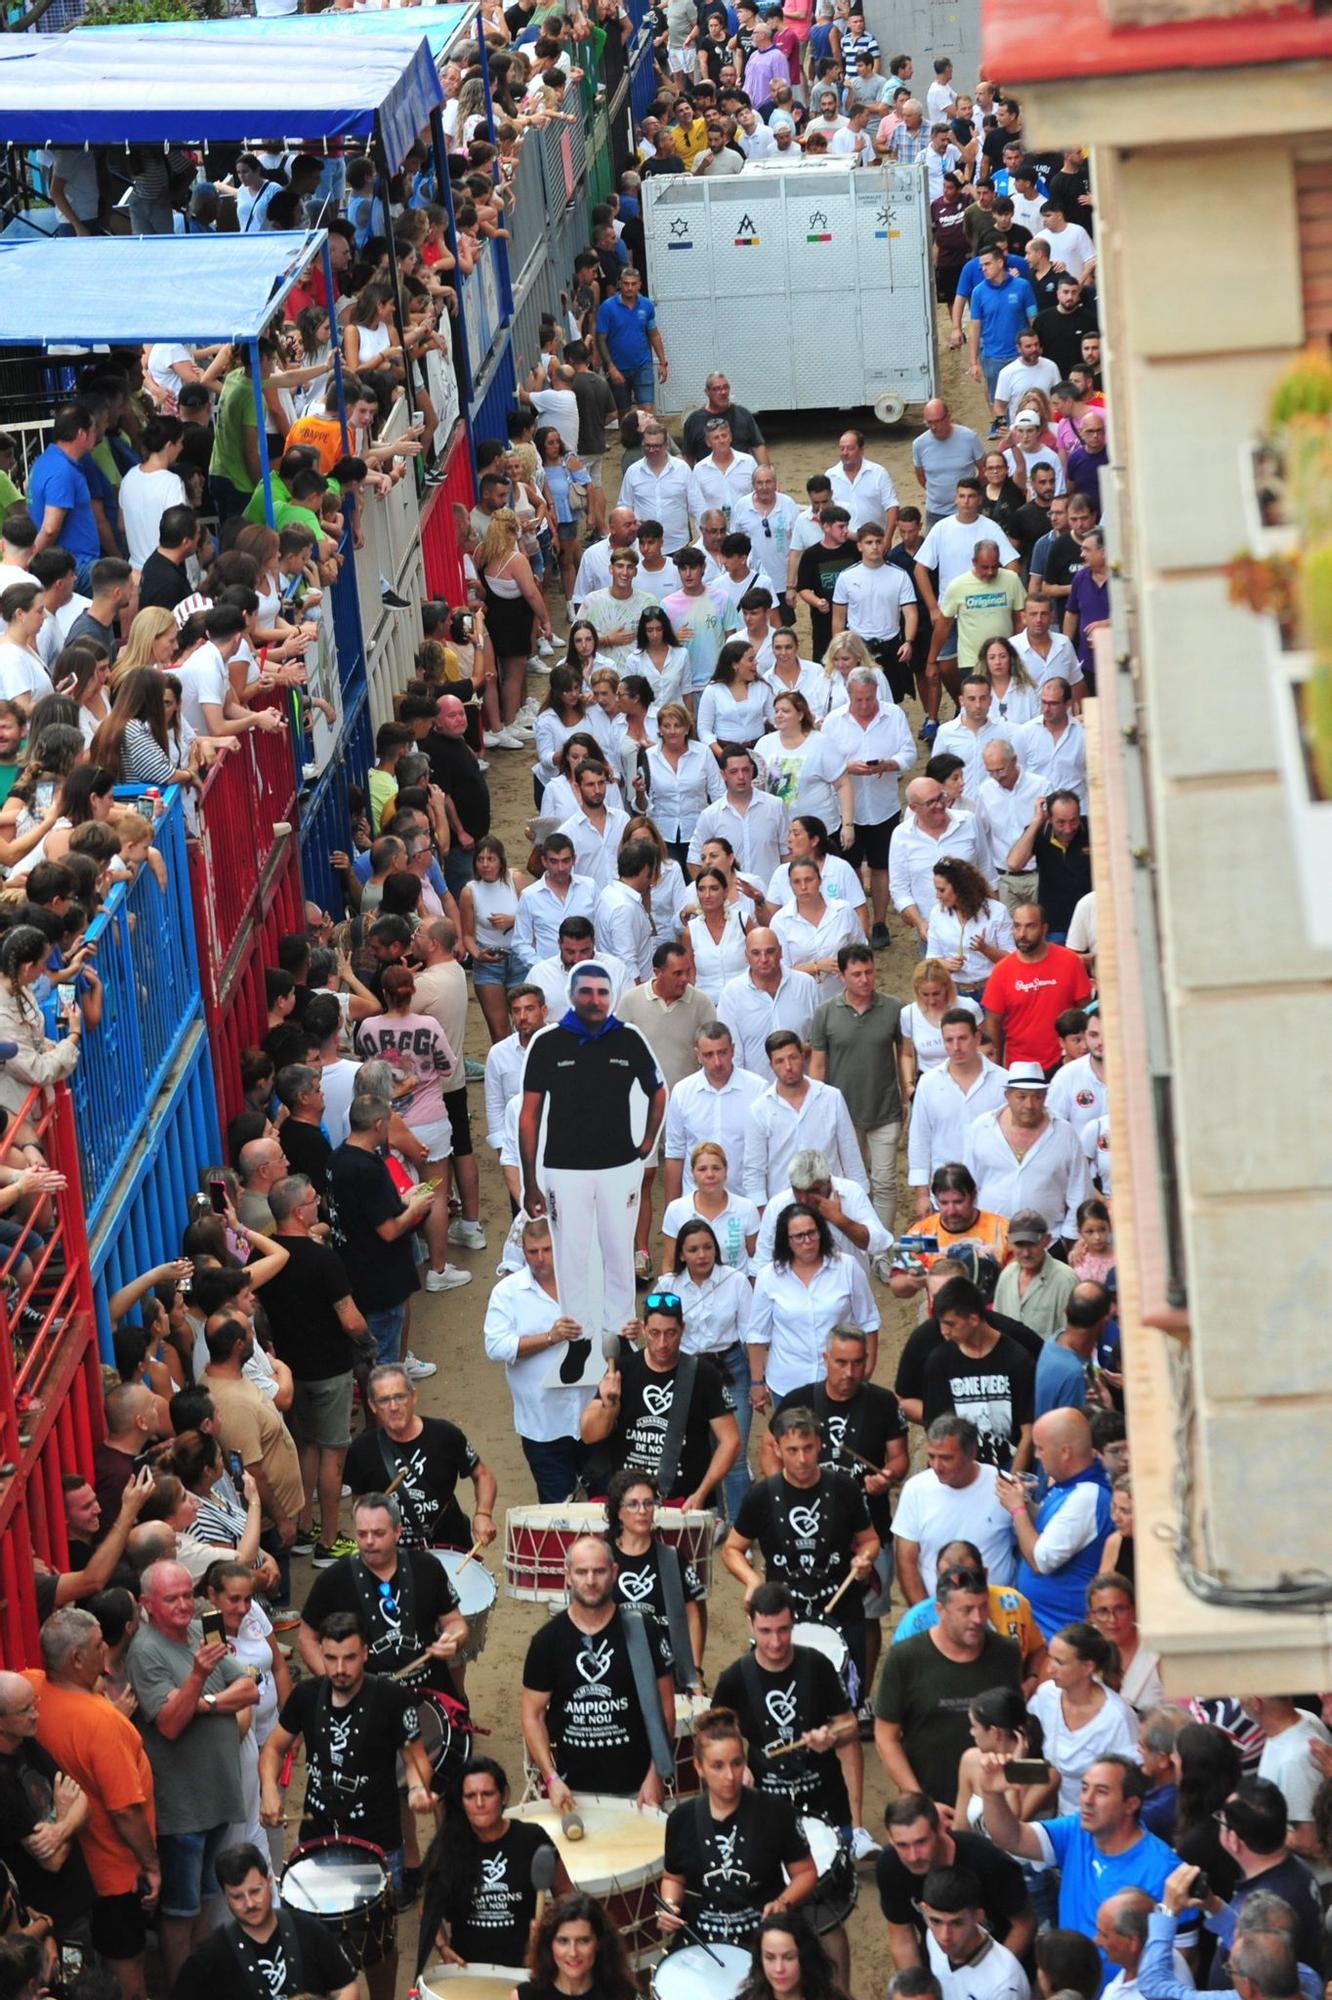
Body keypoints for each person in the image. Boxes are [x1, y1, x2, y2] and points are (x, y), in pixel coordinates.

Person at [260, 1615, 436, 2000]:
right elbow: (274, 1747)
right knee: (312, 1939)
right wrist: (269, 1791)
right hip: (317, 1839)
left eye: (350, 1658)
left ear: (366, 1653)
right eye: (331, 1658)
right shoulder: (306, 1696)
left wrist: (420, 1787)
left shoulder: (392, 1699)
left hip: (377, 1840)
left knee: (379, 1941)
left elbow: (416, 1758)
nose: (339, 1669)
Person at [520, 960, 665, 1368]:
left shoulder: (629, 1040)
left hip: (619, 1167)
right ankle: (580, 1339)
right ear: (571, 995)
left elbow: (657, 1090)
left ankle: (621, 1333)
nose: (595, 999)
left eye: (603, 992)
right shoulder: (548, 1044)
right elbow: (529, 1115)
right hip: (564, 1169)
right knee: (573, 1254)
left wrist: (648, 1139)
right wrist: (531, 1181)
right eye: (586, 991)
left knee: (619, 1252)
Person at [125, 1560, 260, 1984]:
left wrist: (206, 1702)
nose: (185, 1604)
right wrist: (201, 1677)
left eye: (188, 1594)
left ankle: (203, 1984)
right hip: (182, 1810)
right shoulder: (145, 1652)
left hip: (216, 1797)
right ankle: (186, 1989)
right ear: (147, 1605)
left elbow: (250, 1687)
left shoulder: (206, 1628)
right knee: (180, 1915)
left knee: (205, 1903)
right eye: (172, 1598)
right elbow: (168, 1723)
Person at [29, 1607, 157, 2000]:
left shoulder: (32, 1687)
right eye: (99, 1644)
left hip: (74, 1881)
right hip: (117, 1875)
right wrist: (152, 1864)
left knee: (79, 1969)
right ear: (76, 1659)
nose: (107, 1649)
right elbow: (125, 1810)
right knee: (128, 1974)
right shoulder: (104, 1723)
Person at [977, 1753, 1183, 1985]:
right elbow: (1011, 1838)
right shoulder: (1077, 1829)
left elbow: (1184, 1958)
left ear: (1131, 1804)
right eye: (1085, 1788)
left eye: (1101, 1791)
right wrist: (991, 1793)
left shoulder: (1165, 1869)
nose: (1087, 1799)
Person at [725, 1405, 878, 1695]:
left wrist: (864, 1559)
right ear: (778, 1448)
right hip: (783, 1618)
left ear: (820, 1444)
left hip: (841, 1610)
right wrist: (752, 1581)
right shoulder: (761, 1495)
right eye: (792, 1450)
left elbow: (870, 1539)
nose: (803, 1459)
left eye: (808, 1448)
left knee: (845, 1711)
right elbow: (732, 1548)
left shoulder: (844, 1488)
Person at [521, 1533, 674, 1811]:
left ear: (614, 1572)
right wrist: (551, 1777)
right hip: (573, 1790)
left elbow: (665, 1708)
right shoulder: (547, 1641)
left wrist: (656, 1774)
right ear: (568, 1576)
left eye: (599, 1571)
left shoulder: (644, 1631)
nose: (590, 1581)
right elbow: (532, 1714)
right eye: (581, 1572)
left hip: (637, 1787)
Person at [714, 1583, 863, 1848]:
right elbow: (713, 1738)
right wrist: (737, 1767)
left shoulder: (818, 1665)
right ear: (750, 1624)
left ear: (794, 1622)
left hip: (826, 1803)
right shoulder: (734, 1679)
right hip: (765, 1807)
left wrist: (831, 1736)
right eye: (765, 1631)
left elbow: (848, 1724)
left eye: (783, 1630)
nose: (775, 1641)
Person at [660, 1708, 816, 1950]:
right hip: (703, 1943)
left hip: (764, 1939)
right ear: (699, 1767)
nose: (730, 1776)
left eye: (736, 1763)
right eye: (717, 1766)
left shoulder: (775, 1811)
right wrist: (669, 1904)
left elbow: (805, 1872)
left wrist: (783, 1903)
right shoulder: (681, 1819)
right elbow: (673, 1877)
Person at [875, 1561, 1023, 1808]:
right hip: (931, 1802)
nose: (978, 1619)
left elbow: (1015, 1729)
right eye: (966, 1610)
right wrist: (920, 1800)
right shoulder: (906, 1658)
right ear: (940, 1610)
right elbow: (886, 1738)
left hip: (993, 1802)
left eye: (983, 1607)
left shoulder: (1006, 1653)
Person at [298, 1489, 468, 1702]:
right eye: (361, 1534)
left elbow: (454, 1621)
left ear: (398, 1531)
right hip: (366, 1698)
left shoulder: (427, 1567)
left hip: (428, 1690)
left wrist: (453, 1639)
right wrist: (336, 1680)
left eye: (378, 1533)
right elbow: (307, 1638)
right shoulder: (333, 1580)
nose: (369, 1541)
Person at [581, 1289, 740, 1510]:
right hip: (629, 1505)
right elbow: (589, 1435)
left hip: (685, 1504)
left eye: (671, 1333)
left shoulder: (704, 1375)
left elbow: (730, 1441)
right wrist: (608, 1406)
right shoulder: (622, 1371)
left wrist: (702, 1492)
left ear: (683, 1330)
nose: (663, 1342)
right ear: (644, 1329)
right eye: (655, 1333)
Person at [418, 1756, 567, 1976]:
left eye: (487, 1794)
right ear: (461, 1802)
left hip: (525, 1970)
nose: (479, 1803)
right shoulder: (448, 1847)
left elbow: (566, 1895)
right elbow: (427, 1908)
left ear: (504, 1795)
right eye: (470, 1796)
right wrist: (442, 1946)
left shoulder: (531, 1838)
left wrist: (549, 1937)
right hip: (469, 1971)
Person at [168, 1840, 357, 2000]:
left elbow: (348, 1987)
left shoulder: (308, 1930)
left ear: (269, 1882)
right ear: (225, 1896)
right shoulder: (210, 1956)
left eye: (255, 1891)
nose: (249, 1903)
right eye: (237, 1897)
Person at [808, 942, 905, 1251]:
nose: (865, 980)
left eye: (870, 972)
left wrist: (906, 1093)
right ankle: (854, 1240)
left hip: (885, 1110)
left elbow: (905, 1053)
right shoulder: (825, 1014)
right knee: (852, 1185)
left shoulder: (894, 1009)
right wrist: (815, 1106)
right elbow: (819, 1062)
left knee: (886, 1182)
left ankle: (882, 1249)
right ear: (843, 976)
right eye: (857, 974)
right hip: (843, 1114)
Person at [326, 1097, 435, 1371]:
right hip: (381, 1280)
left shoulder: (337, 1158)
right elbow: (388, 1230)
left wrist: (403, 1202)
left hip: (355, 1271)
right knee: (384, 1362)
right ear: (377, 1125)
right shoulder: (368, 1169)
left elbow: (363, 1210)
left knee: (370, 1359)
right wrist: (416, 1208)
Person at [344, 1363, 496, 1554]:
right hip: (393, 1556)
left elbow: (483, 1475)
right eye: (384, 1400)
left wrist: (483, 1514)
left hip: (450, 1548)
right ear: (372, 1405)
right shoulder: (361, 1450)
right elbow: (360, 1505)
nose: (393, 1407)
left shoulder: (445, 1435)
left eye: (400, 1397)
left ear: (414, 1396)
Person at [876, 1792, 1034, 1974]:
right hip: (940, 1965)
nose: (913, 1856)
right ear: (890, 1839)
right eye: (902, 1845)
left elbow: (1024, 1925)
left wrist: (991, 1980)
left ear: (940, 1829)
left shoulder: (987, 1860)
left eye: (921, 1842)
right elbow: (902, 1938)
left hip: (1000, 1961)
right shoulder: (890, 1865)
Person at [821, 668, 918, 948]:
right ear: (849, 695)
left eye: (869, 699)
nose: (864, 705)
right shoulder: (834, 721)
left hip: (882, 805)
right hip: (845, 809)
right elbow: (825, 760)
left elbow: (909, 753)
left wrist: (891, 764)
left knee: (880, 866)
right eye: (859, 699)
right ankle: (853, 922)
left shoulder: (893, 715)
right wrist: (846, 768)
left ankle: (879, 922)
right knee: (847, 866)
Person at [995, 1408, 1113, 1637]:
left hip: (1062, 1634)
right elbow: (1050, 1526)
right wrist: (1025, 1501)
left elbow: (1041, 1560)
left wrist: (1017, 1509)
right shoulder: (1067, 1485)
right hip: (1046, 1630)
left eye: (1040, 1448)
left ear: (1065, 1452)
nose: (1036, 1455)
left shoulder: (1087, 1496)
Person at [747, 1201, 880, 1397]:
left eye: (812, 1233)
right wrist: (757, 1381)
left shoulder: (847, 1267)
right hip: (787, 1386)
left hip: (842, 1383)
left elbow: (869, 1322)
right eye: (799, 1236)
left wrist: (865, 1372)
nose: (807, 1241)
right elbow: (757, 1334)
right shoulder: (768, 1276)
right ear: (787, 1240)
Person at [963, 1063, 1093, 1243]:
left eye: (1037, 1097)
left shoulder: (1065, 1133)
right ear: (1007, 1096)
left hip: (1048, 1241)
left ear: (1046, 1096)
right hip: (990, 1239)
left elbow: (1080, 1190)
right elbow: (969, 1183)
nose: (1029, 1105)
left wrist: (1068, 1238)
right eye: (1021, 1097)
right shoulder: (982, 1127)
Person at [893, 1415, 1018, 1601]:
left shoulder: (1003, 1486)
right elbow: (906, 1561)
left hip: (998, 1612)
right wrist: (925, 1616)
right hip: (938, 1614)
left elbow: (1026, 1548)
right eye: (931, 1456)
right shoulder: (915, 1489)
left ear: (972, 1453)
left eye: (946, 1458)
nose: (936, 1466)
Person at [922, 1275, 1035, 1474]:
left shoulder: (1018, 1360)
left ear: (974, 1319)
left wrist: (1010, 1483)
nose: (943, 1332)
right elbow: (935, 1427)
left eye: (950, 1324)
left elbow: (1029, 1433)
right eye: (941, 1323)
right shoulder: (940, 1361)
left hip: (1008, 1468)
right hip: (960, 1472)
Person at [604, 1468, 707, 1687]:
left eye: (648, 1503)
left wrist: (695, 1673)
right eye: (632, 1504)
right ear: (618, 1511)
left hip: (667, 1671)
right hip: (614, 1671)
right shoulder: (603, 1558)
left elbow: (692, 1617)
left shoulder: (671, 1558)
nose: (642, 1511)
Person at [744, 1029, 867, 1208]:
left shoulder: (831, 1097)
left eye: (793, 1057)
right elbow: (754, 1170)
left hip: (832, 1203)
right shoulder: (759, 1110)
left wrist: (860, 1200)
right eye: (779, 1061)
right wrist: (762, 1214)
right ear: (771, 1065)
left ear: (803, 1056)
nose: (788, 1066)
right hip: (784, 1206)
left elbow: (851, 1155)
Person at [1028, 1622, 1140, 1815]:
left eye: (1060, 1662)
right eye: (1050, 1658)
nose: (1050, 1668)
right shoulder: (1046, 1695)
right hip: (1056, 1818)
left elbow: (1130, 1781)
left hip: (1101, 1822)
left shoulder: (1117, 1717)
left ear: (1088, 1667)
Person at [907, 1010, 1008, 1212]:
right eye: (949, 1040)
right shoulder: (928, 1083)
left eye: (962, 1038)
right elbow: (919, 1138)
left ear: (977, 1037)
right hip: (945, 1193)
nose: (956, 1047)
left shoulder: (1004, 1081)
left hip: (992, 1190)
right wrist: (922, 1195)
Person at [916, 1865, 1031, 2000]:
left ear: (978, 1917)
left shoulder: (1003, 1984)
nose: (944, 1936)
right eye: (936, 1921)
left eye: (957, 1923)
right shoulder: (932, 1936)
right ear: (924, 1910)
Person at [717, 927, 818, 1075]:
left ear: (781, 952)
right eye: (756, 953)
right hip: (756, 1093)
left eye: (770, 951)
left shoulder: (806, 985)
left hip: (802, 1088)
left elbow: (819, 1041)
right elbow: (733, 1055)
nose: (763, 959)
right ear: (746, 956)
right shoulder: (732, 994)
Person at [517, 1891, 639, 2000]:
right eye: (563, 1941)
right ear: (550, 1944)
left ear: (599, 1943)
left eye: (583, 1941)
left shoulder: (623, 1995)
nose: (573, 1953)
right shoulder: (525, 1996)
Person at [993, 1209, 1080, 1337]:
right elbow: (997, 1327)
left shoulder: (1066, 1280)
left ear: (1047, 1240)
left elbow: (1073, 1337)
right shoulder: (1006, 1275)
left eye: (1032, 1244)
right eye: (1020, 1245)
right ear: (1009, 1242)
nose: (1026, 1253)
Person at [595, 268, 669, 415]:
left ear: (639, 285)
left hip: (643, 365)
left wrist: (662, 362)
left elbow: (653, 334)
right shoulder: (607, 307)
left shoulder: (646, 305)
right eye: (626, 284)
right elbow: (600, 339)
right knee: (625, 414)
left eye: (633, 284)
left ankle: (648, 438)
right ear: (619, 284)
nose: (629, 288)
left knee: (647, 412)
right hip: (618, 367)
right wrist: (610, 367)